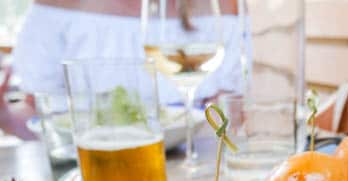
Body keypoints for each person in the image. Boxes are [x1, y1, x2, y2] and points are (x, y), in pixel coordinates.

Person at [12, 0, 244, 103]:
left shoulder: (225, 7)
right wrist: (7, 119)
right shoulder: (56, 8)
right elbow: (43, 125)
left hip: (198, 176)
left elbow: (235, 117)